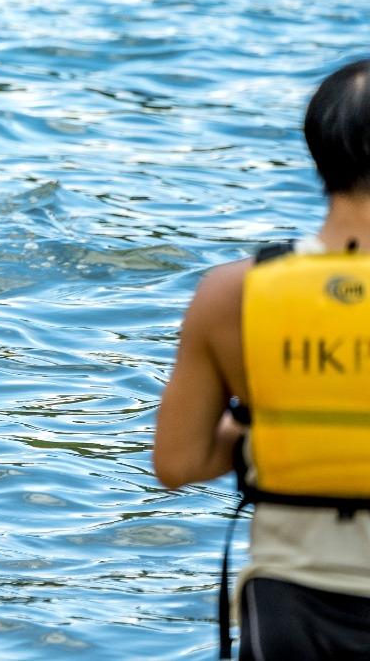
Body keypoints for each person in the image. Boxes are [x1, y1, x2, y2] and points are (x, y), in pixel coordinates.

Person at [155, 59, 370, 659]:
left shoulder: (233, 294)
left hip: (292, 606)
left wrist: (272, 424)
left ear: (317, 150)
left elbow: (177, 462)